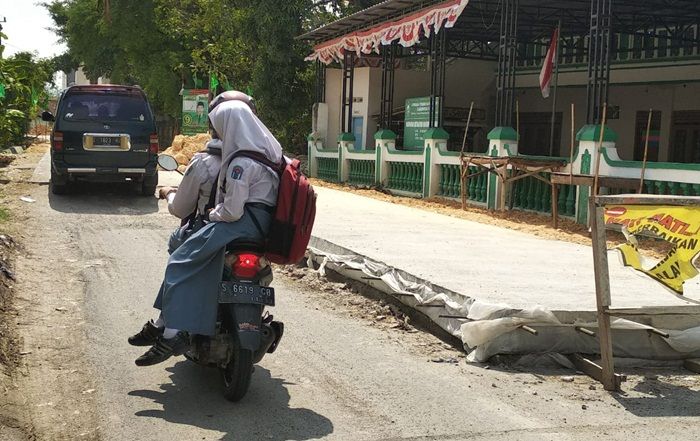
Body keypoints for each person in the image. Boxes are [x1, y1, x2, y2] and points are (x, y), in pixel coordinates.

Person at [130, 97, 282, 366]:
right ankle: (165, 325)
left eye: (217, 124)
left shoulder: (239, 163)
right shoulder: (270, 154)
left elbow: (232, 211)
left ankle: (172, 333)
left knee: (179, 262)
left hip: (240, 226)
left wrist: (214, 214)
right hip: (262, 230)